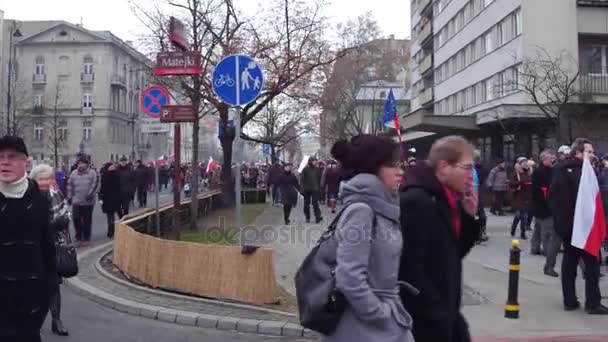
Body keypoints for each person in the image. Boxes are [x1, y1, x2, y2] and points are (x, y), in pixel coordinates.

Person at [322, 135, 414, 342]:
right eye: (392, 165)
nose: (400, 171)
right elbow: (349, 277)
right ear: (373, 167)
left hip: (379, 324)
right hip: (364, 329)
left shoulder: (382, 206)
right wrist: (379, 314)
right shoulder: (362, 211)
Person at [399, 136, 481, 342]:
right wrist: (435, 310)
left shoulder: (448, 199)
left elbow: (454, 252)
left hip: (447, 313)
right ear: (444, 167)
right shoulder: (418, 201)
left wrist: (470, 217)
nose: (471, 176)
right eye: (467, 168)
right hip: (425, 320)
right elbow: (409, 268)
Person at [0, 136, 57, 342]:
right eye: (0, 157)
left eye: (12, 157)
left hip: (31, 300)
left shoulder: (40, 201)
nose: (4, 162)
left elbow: (48, 249)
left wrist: (48, 290)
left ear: (26, 162)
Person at [549, 138, 608, 314]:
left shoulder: (584, 170)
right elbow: (557, 200)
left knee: (573, 262)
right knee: (587, 264)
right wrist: (566, 224)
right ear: (578, 153)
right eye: (589, 152)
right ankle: (590, 303)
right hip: (576, 227)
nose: (592, 155)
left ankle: (573, 300)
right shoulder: (570, 171)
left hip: (580, 226)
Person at [30, 164, 71, 336]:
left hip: (53, 246)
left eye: (48, 178)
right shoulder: (27, 198)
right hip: (33, 248)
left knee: (54, 285)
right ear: (34, 180)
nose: (46, 182)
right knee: (33, 287)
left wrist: (58, 223)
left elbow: (66, 214)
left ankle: (56, 320)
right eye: (42, 179)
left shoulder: (56, 194)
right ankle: (32, 322)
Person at [531, 150, 561, 277]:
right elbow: (544, 193)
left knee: (538, 230)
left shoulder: (548, 171)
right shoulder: (541, 173)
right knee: (547, 233)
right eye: (550, 159)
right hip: (544, 209)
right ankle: (547, 254)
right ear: (544, 160)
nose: (552, 161)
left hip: (541, 207)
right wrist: (551, 206)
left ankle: (536, 248)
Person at [66, 155, 99, 247]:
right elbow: (70, 186)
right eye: (79, 163)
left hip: (88, 201)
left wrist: (90, 194)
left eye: (82, 163)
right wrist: (69, 197)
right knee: (76, 218)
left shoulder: (92, 173)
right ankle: (78, 236)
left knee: (86, 220)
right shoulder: (74, 173)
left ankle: (86, 237)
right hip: (76, 200)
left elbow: (95, 184)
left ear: (87, 164)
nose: (80, 165)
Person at [510, 157, 533, 240]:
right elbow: (511, 183)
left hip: (528, 196)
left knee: (519, 216)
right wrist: (520, 183)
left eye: (526, 162)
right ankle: (523, 233)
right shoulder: (516, 173)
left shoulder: (530, 173)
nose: (525, 164)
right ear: (519, 164)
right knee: (523, 215)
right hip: (518, 197)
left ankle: (513, 228)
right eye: (523, 162)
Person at [99, 162, 122, 238]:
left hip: (117, 198)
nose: (112, 167)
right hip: (107, 199)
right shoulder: (104, 175)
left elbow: (120, 186)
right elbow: (101, 188)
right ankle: (111, 231)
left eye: (113, 166)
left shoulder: (117, 174)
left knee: (120, 215)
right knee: (110, 217)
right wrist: (101, 198)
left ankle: (122, 228)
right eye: (111, 166)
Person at [300, 157, 323, 223]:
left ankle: (317, 217)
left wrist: (320, 188)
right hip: (306, 189)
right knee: (306, 204)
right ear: (310, 161)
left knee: (315, 204)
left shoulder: (317, 170)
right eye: (314, 161)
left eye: (315, 161)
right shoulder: (305, 169)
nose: (315, 162)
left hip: (315, 189)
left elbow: (319, 179)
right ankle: (307, 217)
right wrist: (302, 189)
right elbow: (302, 180)